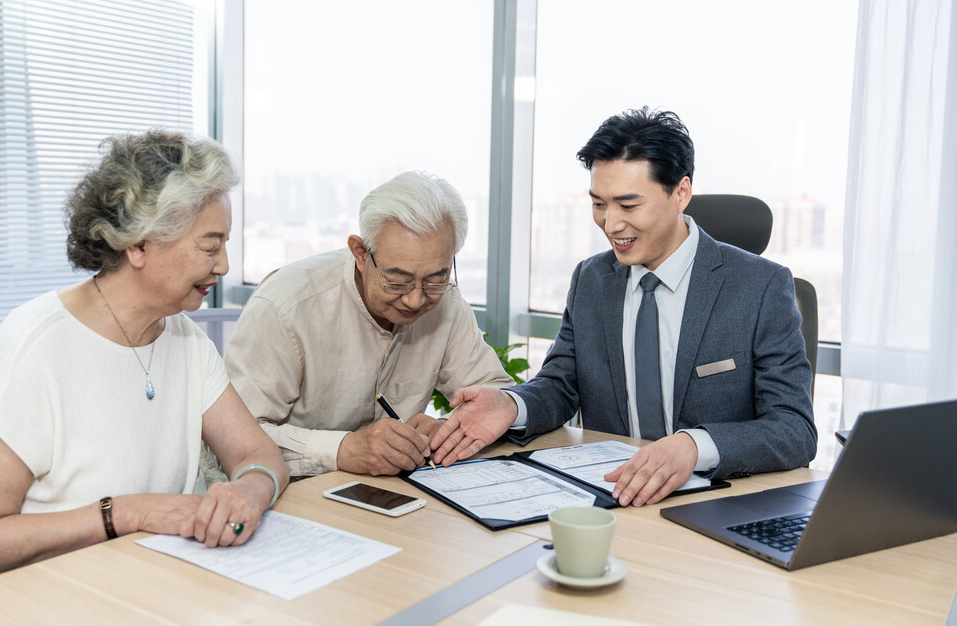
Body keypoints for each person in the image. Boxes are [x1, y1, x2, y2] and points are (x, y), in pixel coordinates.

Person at [0, 131, 289, 594]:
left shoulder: (184, 337)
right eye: (209, 245)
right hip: (8, 600)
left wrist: (248, 492)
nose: (223, 265)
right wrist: (128, 512)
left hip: (120, 588)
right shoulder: (35, 347)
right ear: (138, 244)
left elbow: (256, 455)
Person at [431, 107, 817, 506]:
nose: (610, 224)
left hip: (716, 503)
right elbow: (561, 385)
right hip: (615, 498)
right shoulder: (592, 280)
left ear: (681, 192)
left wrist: (692, 446)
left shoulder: (760, 287)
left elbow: (793, 429)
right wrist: (512, 405)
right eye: (599, 204)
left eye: (628, 206)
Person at [224, 171, 512, 478]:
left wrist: (445, 431)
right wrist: (343, 450)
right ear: (360, 254)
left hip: (391, 497)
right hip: (286, 493)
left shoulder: (447, 305)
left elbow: (493, 395)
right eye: (398, 280)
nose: (415, 300)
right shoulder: (287, 306)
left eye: (435, 278)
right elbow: (233, 437)